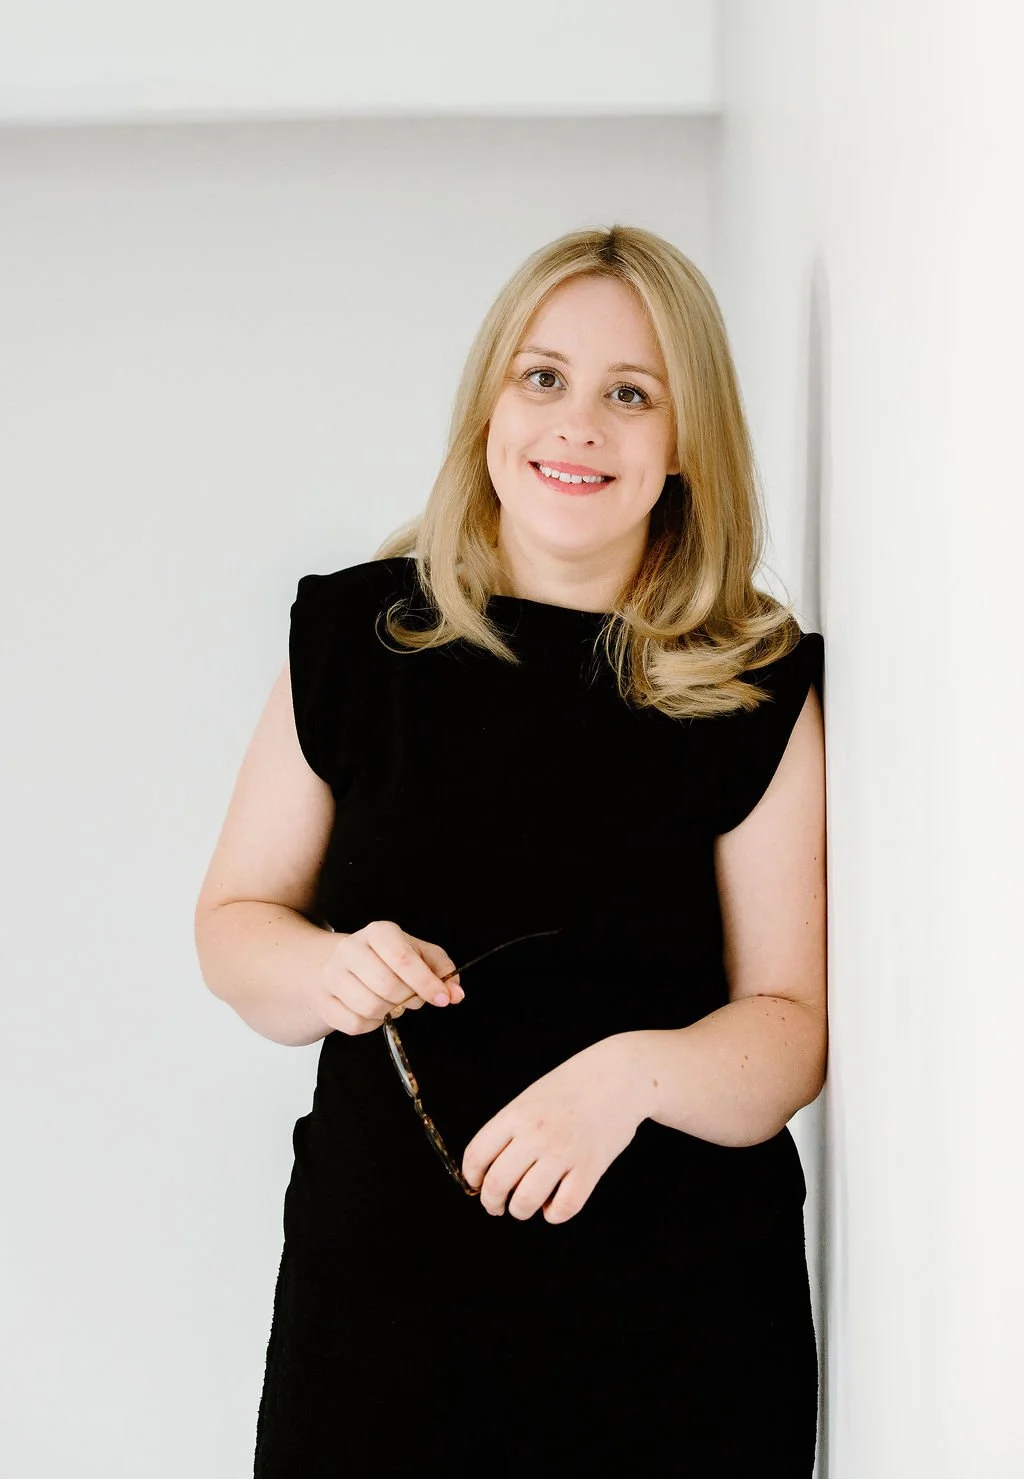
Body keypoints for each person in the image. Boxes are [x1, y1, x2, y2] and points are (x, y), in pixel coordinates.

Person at [194, 223, 827, 1477]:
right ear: (491, 402)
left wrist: (632, 1078)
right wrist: (326, 968)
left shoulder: (752, 682)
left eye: (630, 394)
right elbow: (233, 928)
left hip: (673, 1329)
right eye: (543, 377)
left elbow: (792, 1029)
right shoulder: (354, 637)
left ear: (685, 441)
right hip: (380, 1318)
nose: (576, 426)